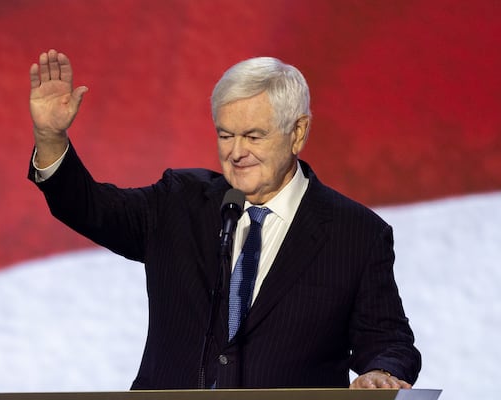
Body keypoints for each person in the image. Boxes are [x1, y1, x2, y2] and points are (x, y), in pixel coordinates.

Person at [28, 49, 421, 390]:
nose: (236, 152)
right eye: (225, 135)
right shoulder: (178, 203)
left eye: (253, 136)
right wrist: (50, 138)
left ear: (298, 133)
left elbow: (388, 339)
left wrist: (381, 372)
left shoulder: (355, 233)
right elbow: (89, 208)